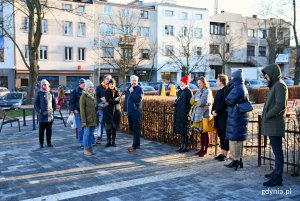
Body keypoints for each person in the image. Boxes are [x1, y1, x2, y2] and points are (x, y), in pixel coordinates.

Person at [261, 64, 288, 187]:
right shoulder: (275, 85)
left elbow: (280, 105)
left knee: (278, 151)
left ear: (271, 73)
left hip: (275, 124)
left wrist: (267, 115)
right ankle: (276, 173)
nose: (265, 77)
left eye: (266, 74)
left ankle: (278, 178)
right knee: (276, 151)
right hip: (272, 124)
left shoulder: (280, 85)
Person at [224, 69, 249, 170]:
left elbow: (228, 101)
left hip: (236, 117)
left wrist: (227, 89)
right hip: (240, 116)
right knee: (237, 140)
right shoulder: (242, 87)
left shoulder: (237, 88)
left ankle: (236, 160)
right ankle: (239, 160)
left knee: (234, 140)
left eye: (232, 78)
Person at [191, 76, 214, 157]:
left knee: (205, 133)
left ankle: (206, 150)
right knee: (201, 133)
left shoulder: (207, 91)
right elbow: (191, 100)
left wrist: (196, 101)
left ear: (204, 83)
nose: (199, 85)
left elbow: (201, 103)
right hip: (198, 115)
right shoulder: (199, 91)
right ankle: (201, 149)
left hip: (204, 115)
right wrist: (197, 100)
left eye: (200, 83)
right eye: (198, 83)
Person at [124, 75, 144, 152]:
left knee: (136, 129)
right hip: (130, 112)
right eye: (133, 80)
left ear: (137, 81)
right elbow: (126, 100)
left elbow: (138, 99)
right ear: (130, 80)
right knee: (132, 129)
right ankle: (137, 144)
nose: (134, 82)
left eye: (135, 80)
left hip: (136, 112)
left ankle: (134, 145)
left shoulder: (139, 89)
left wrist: (132, 92)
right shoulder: (128, 88)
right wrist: (125, 110)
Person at [34, 79, 56, 148]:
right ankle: (41, 143)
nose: (45, 86)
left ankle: (49, 142)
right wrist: (39, 110)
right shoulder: (39, 93)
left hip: (49, 115)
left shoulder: (51, 92)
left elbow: (54, 102)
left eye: (46, 84)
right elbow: (35, 103)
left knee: (49, 130)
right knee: (41, 131)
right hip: (42, 115)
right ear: (42, 85)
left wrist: (53, 109)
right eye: (44, 85)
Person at [212, 74, 229, 161]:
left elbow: (224, 103)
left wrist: (217, 111)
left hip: (223, 116)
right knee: (220, 135)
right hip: (217, 116)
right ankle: (221, 153)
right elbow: (215, 103)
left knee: (224, 135)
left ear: (221, 81)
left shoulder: (226, 90)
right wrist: (213, 110)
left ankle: (225, 154)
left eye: (217, 80)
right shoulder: (219, 91)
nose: (216, 81)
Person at [173, 75, 193, 153]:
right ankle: (181, 145)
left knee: (185, 131)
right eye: (180, 81)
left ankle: (185, 146)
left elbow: (190, 104)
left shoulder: (188, 91)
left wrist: (187, 112)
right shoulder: (179, 91)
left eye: (181, 81)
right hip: (179, 114)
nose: (180, 83)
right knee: (181, 131)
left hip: (185, 114)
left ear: (185, 82)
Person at [80, 80, 98, 156]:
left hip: (93, 119)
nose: (91, 88)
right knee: (86, 135)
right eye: (89, 87)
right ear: (86, 88)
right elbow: (82, 110)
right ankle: (86, 149)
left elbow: (95, 106)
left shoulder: (93, 96)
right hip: (87, 120)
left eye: (92, 87)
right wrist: (84, 121)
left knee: (91, 135)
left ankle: (90, 149)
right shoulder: (83, 96)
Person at [103, 78, 121, 147]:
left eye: (112, 84)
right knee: (108, 128)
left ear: (114, 84)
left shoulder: (117, 91)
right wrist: (114, 100)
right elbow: (107, 100)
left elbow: (118, 101)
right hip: (108, 112)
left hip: (116, 112)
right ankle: (108, 142)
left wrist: (112, 100)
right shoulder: (106, 91)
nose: (111, 85)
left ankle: (113, 141)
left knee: (114, 128)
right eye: (110, 84)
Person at [95, 74, 112, 144]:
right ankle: (99, 136)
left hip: (109, 106)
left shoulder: (111, 87)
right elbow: (96, 97)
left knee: (109, 122)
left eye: (109, 79)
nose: (108, 80)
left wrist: (109, 102)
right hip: (101, 107)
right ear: (104, 79)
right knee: (101, 121)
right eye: (107, 79)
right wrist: (102, 103)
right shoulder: (99, 87)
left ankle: (109, 137)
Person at [69, 78, 86, 147]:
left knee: (85, 127)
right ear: (80, 84)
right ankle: (81, 142)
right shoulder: (75, 91)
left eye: (85, 83)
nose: (84, 85)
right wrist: (74, 109)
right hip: (78, 112)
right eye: (83, 83)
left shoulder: (86, 91)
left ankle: (86, 141)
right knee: (80, 127)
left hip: (85, 112)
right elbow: (71, 102)